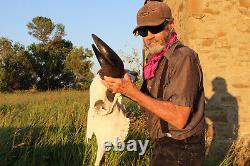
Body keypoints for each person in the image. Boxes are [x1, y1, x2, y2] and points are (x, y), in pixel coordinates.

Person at [102, 1, 205, 165]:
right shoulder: (154, 60)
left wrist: (131, 92)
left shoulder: (183, 58)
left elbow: (179, 118)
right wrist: (122, 84)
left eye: (155, 28)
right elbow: (146, 100)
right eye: (143, 31)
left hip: (183, 148)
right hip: (163, 143)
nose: (149, 36)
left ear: (170, 25)